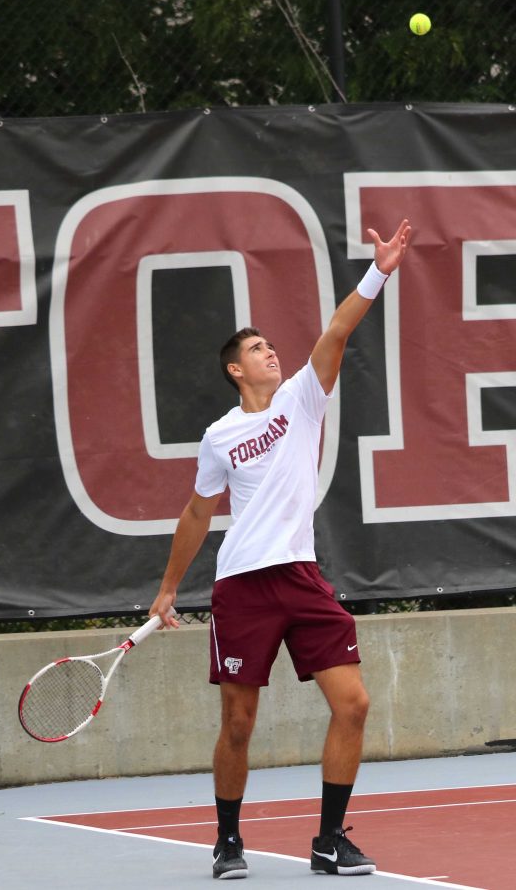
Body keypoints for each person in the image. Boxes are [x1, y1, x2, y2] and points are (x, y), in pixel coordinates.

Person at [149, 218, 412, 880]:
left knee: (353, 704)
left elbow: (336, 330)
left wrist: (379, 271)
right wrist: (167, 588)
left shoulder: (302, 398)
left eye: (272, 345)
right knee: (239, 724)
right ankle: (229, 841)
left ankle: (328, 841)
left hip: (300, 578)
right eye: (258, 348)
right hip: (242, 585)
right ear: (235, 369)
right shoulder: (218, 436)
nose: (272, 352)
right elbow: (196, 512)